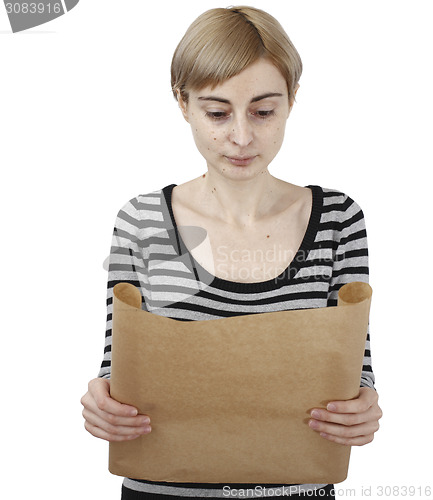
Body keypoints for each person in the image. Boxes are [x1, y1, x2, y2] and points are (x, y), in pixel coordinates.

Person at [80, 6, 383, 499]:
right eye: (217, 112)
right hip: (162, 492)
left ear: (292, 100)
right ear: (182, 102)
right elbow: (119, 365)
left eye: (264, 111)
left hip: (297, 491)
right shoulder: (140, 221)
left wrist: (364, 406)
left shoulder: (339, 219)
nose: (241, 137)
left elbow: (355, 368)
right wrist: (103, 402)